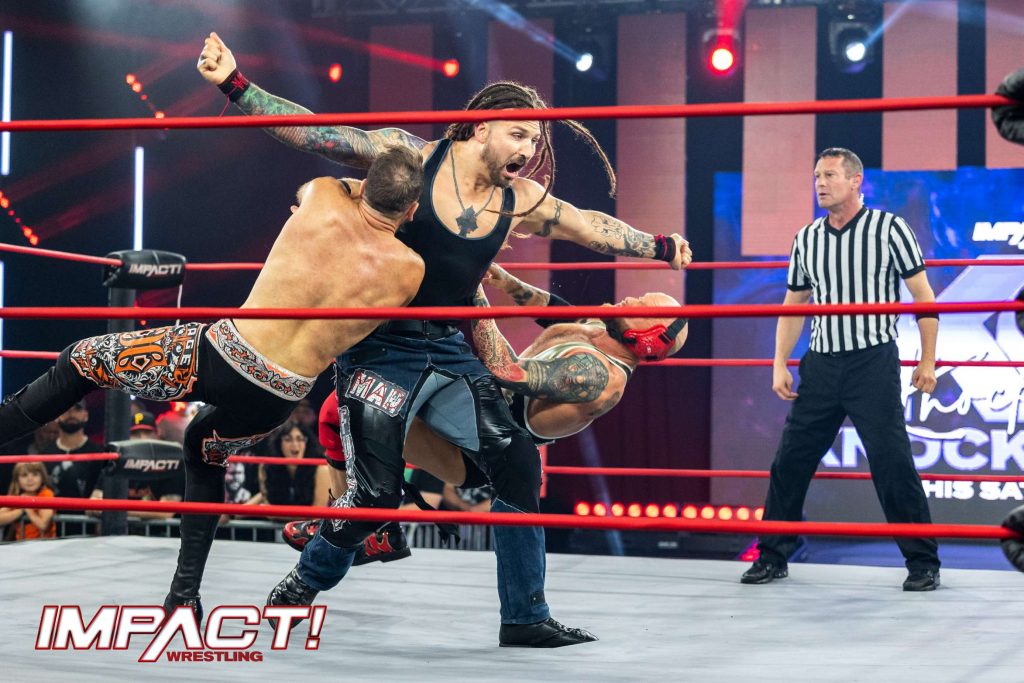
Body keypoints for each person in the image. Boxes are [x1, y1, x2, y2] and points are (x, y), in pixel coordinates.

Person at [197, 32, 692, 647]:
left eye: (535, 141)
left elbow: (586, 225)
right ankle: (304, 582)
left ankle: (525, 615)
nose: (528, 150)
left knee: (517, 462)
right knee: (376, 496)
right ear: (481, 127)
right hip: (378, 348)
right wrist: (237, 86)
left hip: (448, 349)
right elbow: (322, 135)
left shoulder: (519, 199)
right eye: (519, 134)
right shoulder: (414, 158)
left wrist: (658, 246)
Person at [0, 146, 427, 620]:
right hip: (279, 396)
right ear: (412, 209)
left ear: (364, 186)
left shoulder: (325, 196)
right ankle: (183, 597)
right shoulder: (410, 271)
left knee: (80, 360)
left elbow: (310, 190)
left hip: (222, 355)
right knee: (203, 447)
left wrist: (345, 190)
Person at [283, 264, 687, 566]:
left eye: (641, 305)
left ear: (644, 338)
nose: (632, 299)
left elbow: (506, 371)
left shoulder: (598, 377)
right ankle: (371, 527)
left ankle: (358, 526)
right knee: (340, 407)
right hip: (469, 404)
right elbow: (556, 312)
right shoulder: (599, 329)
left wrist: (474, 290)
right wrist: (506, 282)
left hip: (476, 450)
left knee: (348, 408)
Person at [739, 147, 941, 591]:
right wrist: (779, 363)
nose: (820, 183)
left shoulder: (889, 229)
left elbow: (923, 296)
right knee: (790, 462)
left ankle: (923, 562)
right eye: (817, 176)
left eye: (829, 175)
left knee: (892, 463)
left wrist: (928, 361)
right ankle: (772, 556)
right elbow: (794, 304)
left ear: (855, 181)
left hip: (872, 362)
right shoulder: (807, 237)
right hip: (822, 365)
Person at [0, 461, 57, 541]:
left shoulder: (46, 494)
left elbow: (43, 525)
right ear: (17, 479)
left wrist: (28, 509)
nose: (30, 479)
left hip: (44, 544)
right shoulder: (16, 496)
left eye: (35, 474)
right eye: (24, 475)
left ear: (42, 477)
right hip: (22, 545)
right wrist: (21, 511)